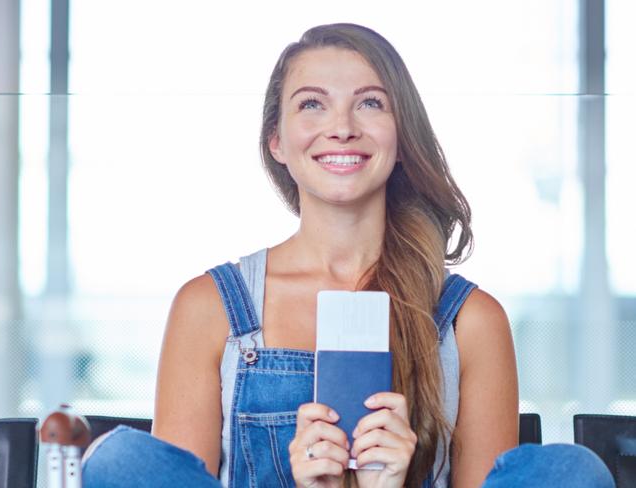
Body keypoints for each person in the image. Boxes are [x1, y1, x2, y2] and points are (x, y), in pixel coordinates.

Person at [82, 23, 615, 488]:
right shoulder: (211, 307)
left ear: (401, 137)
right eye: (312, 103)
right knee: (121, 460)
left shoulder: (470, 322)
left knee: (573, 472)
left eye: (370, 102)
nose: (342, 126)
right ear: (277, 142)